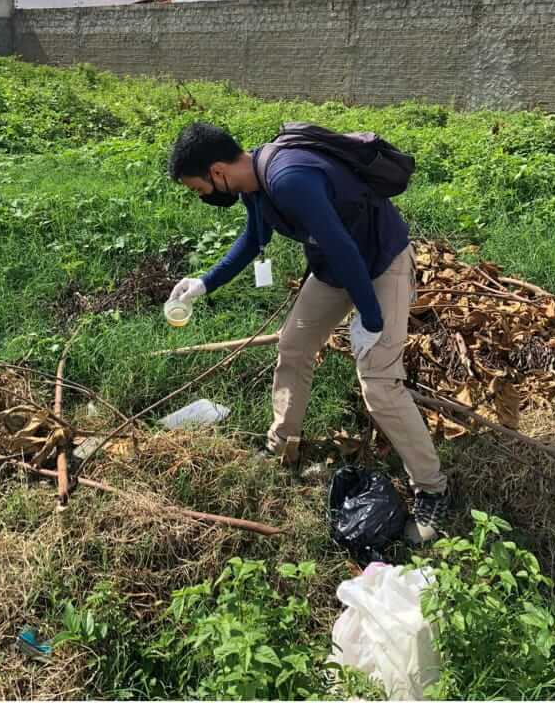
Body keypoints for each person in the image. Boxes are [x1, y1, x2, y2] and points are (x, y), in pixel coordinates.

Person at [166, 122, 449, 544]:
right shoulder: (254, 180)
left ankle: (432, 489)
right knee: (293, 346)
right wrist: (204, 283)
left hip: (380, 263)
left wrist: (370, 319)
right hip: (338, 268)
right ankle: (282, 445)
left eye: (198, 187)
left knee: (379, 384)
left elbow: (343, 246)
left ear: (218, 171)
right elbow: (254, 237)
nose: (202, 196)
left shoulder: (288, 177)